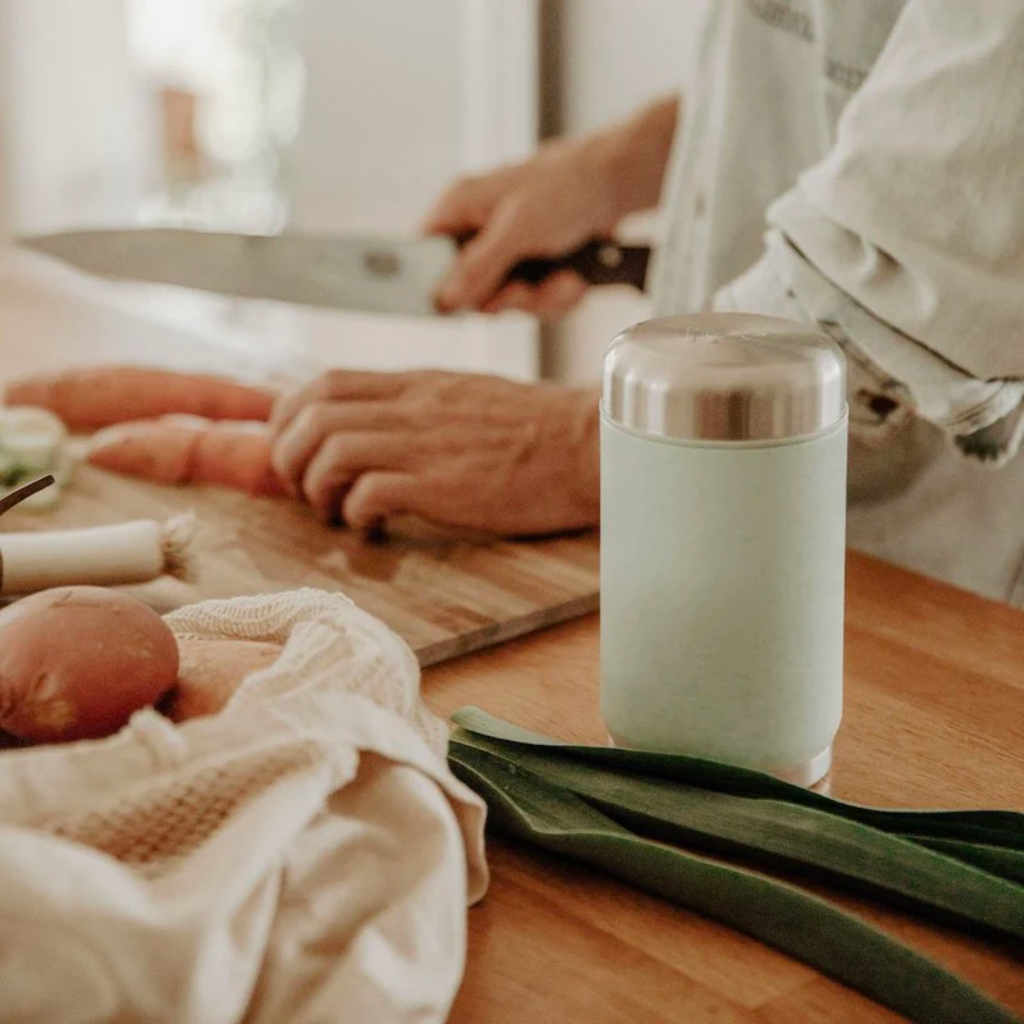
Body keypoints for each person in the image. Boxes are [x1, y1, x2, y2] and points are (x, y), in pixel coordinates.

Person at [270, 2, 1024, 606]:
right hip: (741, 550)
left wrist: (593, 445)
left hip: (951, 596)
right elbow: (873, 44)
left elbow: (982, 154)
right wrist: (620, 165)